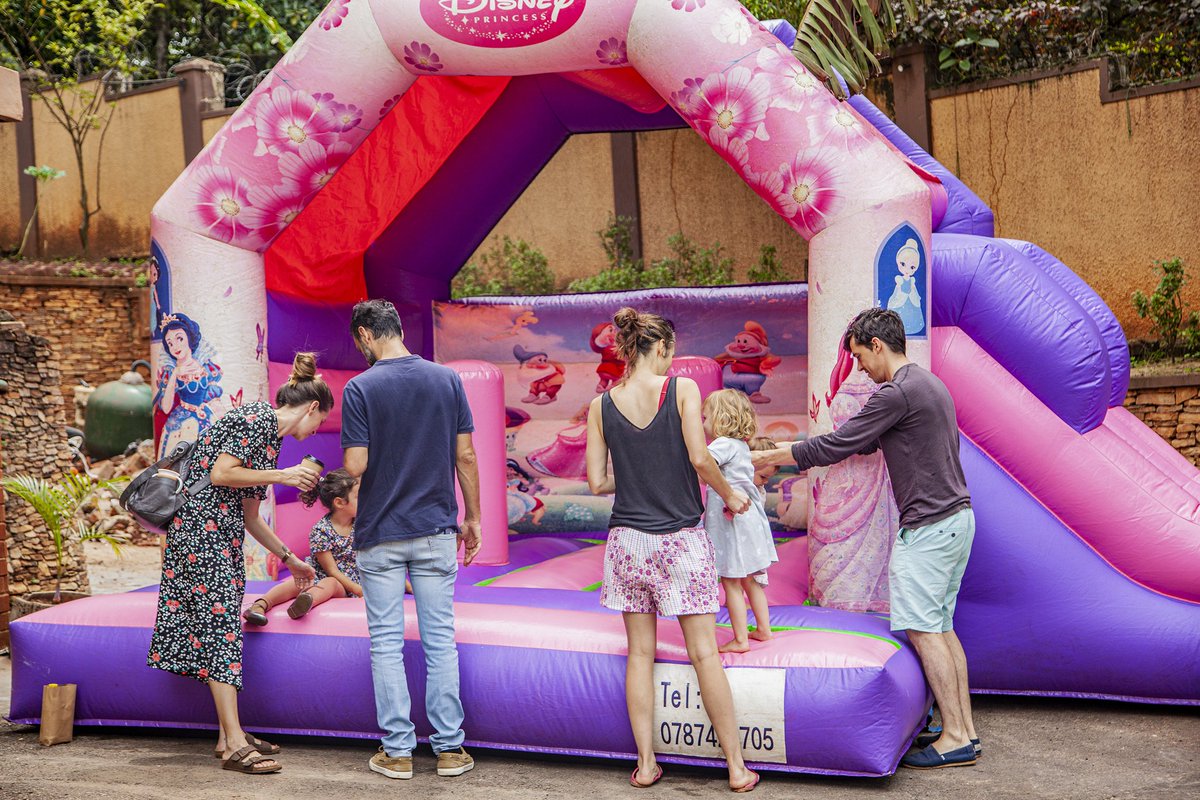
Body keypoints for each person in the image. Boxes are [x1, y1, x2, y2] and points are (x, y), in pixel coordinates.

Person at [752, 307, 979, 769]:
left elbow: (840, 441)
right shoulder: (926, 384)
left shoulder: (895, 392)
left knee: (924, 630)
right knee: (940, 628)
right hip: (956, 520)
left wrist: (775, 453)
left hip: (931, 527)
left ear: (877, 345)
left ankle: (954, 735)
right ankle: (964, 731)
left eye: (859, 357)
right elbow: (873, 442)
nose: (859, 369)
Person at [586, 307, 760, 793]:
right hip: (680, 540)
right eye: (670, 352)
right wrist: (731, 496)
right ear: (661, 348)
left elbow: (599, 482)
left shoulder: (601, 406)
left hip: (626, 543)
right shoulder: (682, 389)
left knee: (638, 654)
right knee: (705, 653)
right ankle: (736, 767)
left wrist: (639, 471)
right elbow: (701, 458)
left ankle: (645, 764)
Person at [146, 352, 330, 775]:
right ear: (313, 407)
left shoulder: (270, 439)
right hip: (200, 535)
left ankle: (229, 736)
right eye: (320, 422)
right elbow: (221, 474)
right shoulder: (255, 418)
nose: (317, 431)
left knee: (220, 629)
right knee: (221, 632)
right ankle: (233, 744)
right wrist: (283, 476)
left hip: (220, 536)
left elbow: (249, 516)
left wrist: (291, 560)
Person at [341, 299, 482, 781]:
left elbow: (356, 465)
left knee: (385, 643)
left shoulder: (360, 388)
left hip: (379, 533)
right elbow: (465, 456)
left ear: (365, 335)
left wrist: (333, 474)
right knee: (440, 641)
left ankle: (398, 752)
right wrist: (475, 518)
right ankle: (449, 751)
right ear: (398, 329)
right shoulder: (447, 380)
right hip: (437, 530)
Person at [701, 390, 778, 653]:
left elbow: (703, 464)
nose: (703, 423)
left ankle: (741, 639)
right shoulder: (742, 445)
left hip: (731, 523)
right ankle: (764, 630)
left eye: (706, 417)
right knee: (750, 580)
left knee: (731, 582)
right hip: (748, 521)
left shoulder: (722, 444)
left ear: (720, 418)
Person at [242, 469, 362, 626]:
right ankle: (260, 605)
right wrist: (358, 589)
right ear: (339, 502)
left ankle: (304, 602)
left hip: (341, 585)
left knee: (330, 583)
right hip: (323, 575)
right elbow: (331, 569)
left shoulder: (360, 525)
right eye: (359, 496)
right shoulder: (321, 530)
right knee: (298, 582)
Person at [155, 312, 224, 459]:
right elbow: (166, 407)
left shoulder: (206, 368)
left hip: (207, 418)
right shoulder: (170, 373)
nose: (175, 346)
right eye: (170, 343)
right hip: (182, 424)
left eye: (179, 338)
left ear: (189, 338)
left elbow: (214, 400)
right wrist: (175, 374)